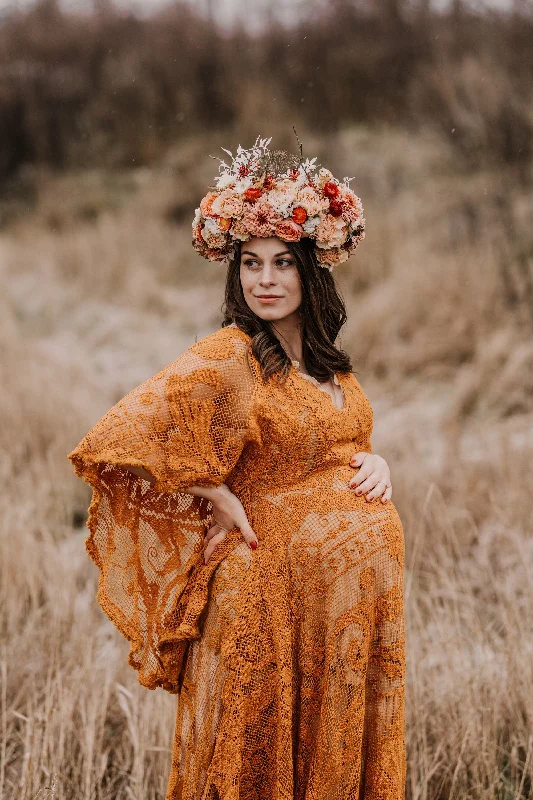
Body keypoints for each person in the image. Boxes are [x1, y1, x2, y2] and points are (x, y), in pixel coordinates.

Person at [67, 136, 406, 800]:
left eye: (283, 263)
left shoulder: (329, 362)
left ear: (312, 272)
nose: (266, 279)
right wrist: (212, 490)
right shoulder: (228, 355)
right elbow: (117, 439)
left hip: (348, 614)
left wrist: (377, 462)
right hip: (266, 604)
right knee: (254, 764)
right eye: (251, 264)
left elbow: (336, 446)